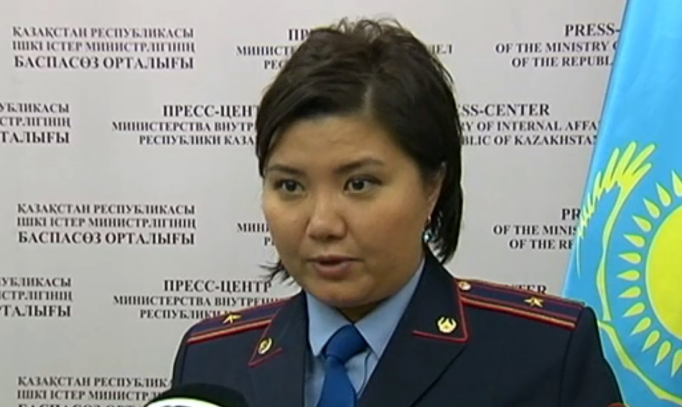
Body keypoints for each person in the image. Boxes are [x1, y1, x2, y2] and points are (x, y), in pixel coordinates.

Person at [169, 17, 623, 407]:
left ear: (432, 186)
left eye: (359, 184)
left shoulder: (546, 355)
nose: (322, 224)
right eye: (290, 186)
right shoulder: (212, 359)